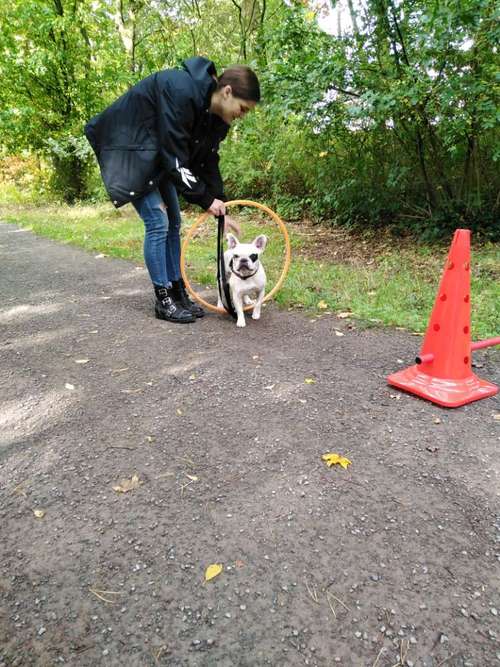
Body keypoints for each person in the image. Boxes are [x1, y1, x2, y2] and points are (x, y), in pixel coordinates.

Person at [84, 57, 260, 323]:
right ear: (227, 92)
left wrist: (219, 204)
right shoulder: (181, 90)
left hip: (156, 154)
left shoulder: (217, 118)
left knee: (174, 221)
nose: (242, 116)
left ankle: (178, 291)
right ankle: (163, 298)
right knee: (158, 221)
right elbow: (175, 157)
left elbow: (206, 161)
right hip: (128, 147)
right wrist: (203, 198)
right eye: (243, 108)